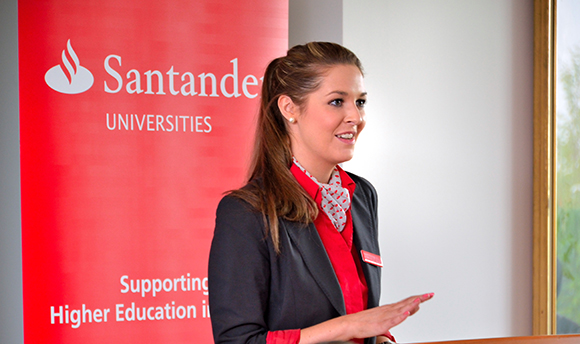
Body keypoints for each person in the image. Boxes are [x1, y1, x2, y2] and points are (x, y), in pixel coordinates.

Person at [208, 42, 433, 344]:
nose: (356, 117)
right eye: (337, 102)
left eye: (361, 102)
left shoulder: (362, 195)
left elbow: (360, 312)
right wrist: (349, 327)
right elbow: (238, 341)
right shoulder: (247, 211)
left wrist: (379, 337)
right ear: (289, 109)